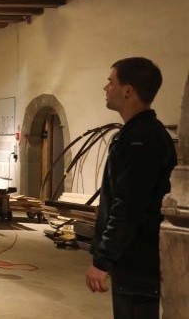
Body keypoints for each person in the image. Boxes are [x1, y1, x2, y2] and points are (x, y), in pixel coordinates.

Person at [86, 57, 176, 319]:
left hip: (138, 261)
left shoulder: (141, 139)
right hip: (135, 260)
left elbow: (128, 206)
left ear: (128, 90)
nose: (106, 87)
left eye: (110, 81)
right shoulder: (137, 134)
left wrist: (102, 261)